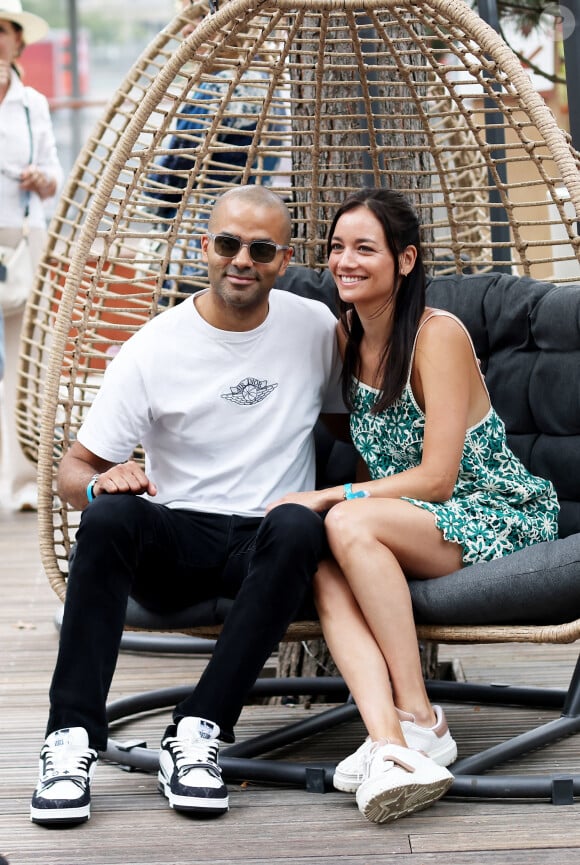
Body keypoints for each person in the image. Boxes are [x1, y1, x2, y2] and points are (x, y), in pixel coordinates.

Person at [30, 184, 345, 827]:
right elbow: (71, 469)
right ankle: (70, 741)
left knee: (298, 523)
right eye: (228, 243)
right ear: (205, 247)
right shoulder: (156, 345)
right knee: (109, 516)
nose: (242, 260)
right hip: (177, 535)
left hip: (269, 538)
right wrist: (101, 483)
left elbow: (350, 427)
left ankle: (198, 732)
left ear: (284, 259)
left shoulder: (315, 328)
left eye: (261, 249)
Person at [269, 188, 560, 824]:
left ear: (405, 260)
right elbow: (377, 462)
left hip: (494, 509)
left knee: (340, 517)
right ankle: (392, 735)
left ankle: (419, 718)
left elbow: (434, 477)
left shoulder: (438, 335)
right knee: (322, 548)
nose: (346, 260)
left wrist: (327, 496)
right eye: (337, 247)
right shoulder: (347, 339)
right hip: (416, 520)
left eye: (365, 248)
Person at [139, 0, 287, 297]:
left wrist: (150, 191)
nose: (188, 33)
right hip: (255, 244)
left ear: (227, 26)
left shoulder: (213, 90)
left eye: (198, 22)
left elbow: (166, 184)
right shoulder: (272, 90)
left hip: (199, 249)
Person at [0, 1, 62, 511]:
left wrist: (41, 179)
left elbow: (54, 177)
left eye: (2, 30)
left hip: (23, 239)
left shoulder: (32, 103)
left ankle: (24, 485)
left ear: (18, 41)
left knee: (25, 368)